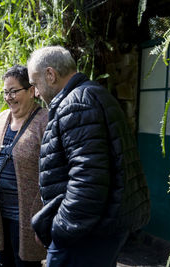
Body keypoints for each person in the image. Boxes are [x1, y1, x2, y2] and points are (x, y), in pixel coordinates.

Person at [28, 46, 150, 267]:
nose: (36, 93)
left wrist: (60, 230)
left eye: (35, 84)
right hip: (101, 230)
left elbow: (87, 180)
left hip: (84, 237)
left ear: (50, 74)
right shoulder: (95, 94)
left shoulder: (76, 104)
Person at [0, 65, 48, 267]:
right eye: (5, 92)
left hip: (28, 216)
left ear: (31, 90)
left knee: (25, 263)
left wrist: (45, 214)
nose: (8, 97)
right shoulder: (1, 119)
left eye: (13, 91)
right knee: (4, 262)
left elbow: (53, 170)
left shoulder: (45, 121)